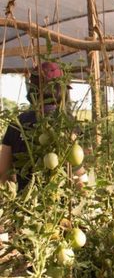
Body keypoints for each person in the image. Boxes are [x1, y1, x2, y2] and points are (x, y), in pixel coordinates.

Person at [0, 61, 88, 190]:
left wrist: (19, 194)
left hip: (27, 205)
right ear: (61, 89)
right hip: (63, 206)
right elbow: (77, 170)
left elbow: (4, 173)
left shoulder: (17, 123)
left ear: (32, 88)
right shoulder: (66, 122)